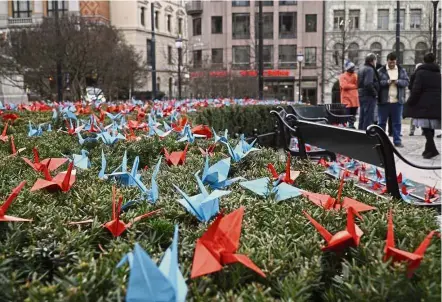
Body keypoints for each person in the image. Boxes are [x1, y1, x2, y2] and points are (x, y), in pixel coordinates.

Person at [406, 53, 441, 159]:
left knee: (425, 126)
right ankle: (429, 149)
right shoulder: (438, 73)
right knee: (430, 126)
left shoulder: (420, 73)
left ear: (424, 61)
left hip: (423, 102)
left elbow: (416, 89)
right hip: (436, 102)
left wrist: (410, 101)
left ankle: (432, 149)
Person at [377, 52, 409, 147]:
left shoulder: (401, 70)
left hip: (397, 101)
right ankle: (381, 141)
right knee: (382, 122)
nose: (392, 64)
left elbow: (407, 81)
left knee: (397, 122)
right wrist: (387, 82)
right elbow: (377, 84)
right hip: (384, 100)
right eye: (390, 62)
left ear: (396, 61)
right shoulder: (381, 71)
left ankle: (397, 141)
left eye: (393, 62)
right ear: (387, 61)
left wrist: (398, 82)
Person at [358, 53, 380, 130]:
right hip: (369, 96)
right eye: (375, 60)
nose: (376, 62)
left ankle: (360, 133)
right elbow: (368, 83)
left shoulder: (361, 68)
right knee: (368, 117)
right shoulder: (370, 69)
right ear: (372, 61)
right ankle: (366, 136)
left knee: (362, 116)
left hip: (362, 95)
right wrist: (375, 93)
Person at [339, 60, 359, 128]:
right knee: (345, 117)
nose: (353, 69)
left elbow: (358, 84)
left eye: (353, 67)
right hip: (346, 100)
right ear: (348, 68)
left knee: (352, 118)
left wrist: (351, 85)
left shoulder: (355, 76)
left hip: (355, 101)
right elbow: (344, 86)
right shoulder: (342, 76)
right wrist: (354, 86)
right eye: (351, 67)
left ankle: (351, 128)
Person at [408, 63, 423, 136]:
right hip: (422, 96)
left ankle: (412, 130)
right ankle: (423, 129)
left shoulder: (413, 75)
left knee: (413, 114)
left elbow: (410, 86)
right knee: (423, 114)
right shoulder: (423, 75)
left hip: (414, 96)